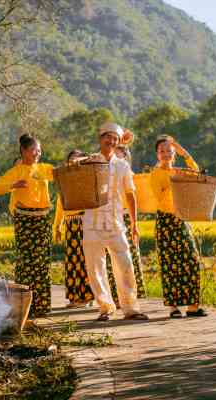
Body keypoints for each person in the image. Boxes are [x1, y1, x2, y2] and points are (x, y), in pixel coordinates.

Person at [81, 122, 148, 322]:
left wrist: (135, 224)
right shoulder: (90, 161)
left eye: (115, 139)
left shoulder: (122, 165)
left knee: (126, 264)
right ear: (100, 138)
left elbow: (130, 194)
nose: (110, 141)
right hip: (92, 222)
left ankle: (130, 308)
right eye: (107, 137)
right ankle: (105, 308)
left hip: (116, 223)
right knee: (95, 267)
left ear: (118, 142)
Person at [0, 133, 55, 317]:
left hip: (42, 218)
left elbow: (62, 173)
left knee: (42, 260)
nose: (37, 153)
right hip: (24, 219)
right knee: (27, 260)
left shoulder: (44, 168)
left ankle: (42, 305)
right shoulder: (16, 171)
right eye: (34, 149)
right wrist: (13, 185)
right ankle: (25, 305)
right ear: (24, 151)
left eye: (39, 150)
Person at [151, 135, 207, 318]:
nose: (165, 154)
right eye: (162, 151)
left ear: (174, 153)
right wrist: (174, 182)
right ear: (157, 155)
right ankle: (173, 307)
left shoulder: (179, 170)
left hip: (181, 219)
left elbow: (197, 172)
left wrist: (184, 153)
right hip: (165, 221)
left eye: (169, 151)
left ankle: (193, 306)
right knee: (170, 263)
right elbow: (159, 197)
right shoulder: (156, 173)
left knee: (191, 259)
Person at [52, 149, 96, 308]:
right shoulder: (64, 181)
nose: (75, 162)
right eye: (71, 160)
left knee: (86, 260)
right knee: (72, 261)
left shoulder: (88, 178)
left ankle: (88, 297)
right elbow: (59, 205)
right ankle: (74, 298)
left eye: (78, 159)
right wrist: (57, 226)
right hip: (70, 223)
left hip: (86, 221)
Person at [106, 141, 147, 303]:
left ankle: (132, 295)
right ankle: (115, 296)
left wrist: (134, 222)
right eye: (115, 153)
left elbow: (133, 198)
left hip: (126, 217)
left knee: (130, 256)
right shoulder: (108, 171)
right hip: (112, 217)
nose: (117, 156)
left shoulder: (128, 173)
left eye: (121, 154)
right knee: (113, 258)